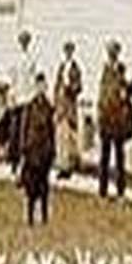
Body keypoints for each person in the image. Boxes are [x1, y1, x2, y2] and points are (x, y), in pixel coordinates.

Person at [96, 39, 132, 199]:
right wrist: (100, 114)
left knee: (119, 156)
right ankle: (103, 190)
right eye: (110, 52)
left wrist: (128, 91)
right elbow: (103, 94)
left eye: (114, 52)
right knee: (104, 156)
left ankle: (120, 189)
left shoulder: (121, 71)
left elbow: (125, 92)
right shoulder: (105, 71)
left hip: (118, 120)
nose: (112, 55)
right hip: (107, 119)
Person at [19, 70, 56, 226]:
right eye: (38, 85)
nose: (41, 88)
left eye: (43, 85)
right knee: (31, 186)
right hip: (32, 150)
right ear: (35, 87)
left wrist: (53, 149)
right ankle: (29, 216)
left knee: (44, 185)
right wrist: (24, 147)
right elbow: (24, 128)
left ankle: (44, 215)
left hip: (44, 150)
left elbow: (51, 129)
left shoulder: (48, 107)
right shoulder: (30, 106)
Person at [6, 29, 38, 178]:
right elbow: (11, 78)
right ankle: (13, 161)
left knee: (24, 133)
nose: (24, 43)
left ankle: (23, 162)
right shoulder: (14, 58)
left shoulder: (31, 58)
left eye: (26, 41)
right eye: (22, 40)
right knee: (14, 131)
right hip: (17, 97)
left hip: (27, 98)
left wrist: (32, 98)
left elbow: (32, 80)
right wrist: (11, 95)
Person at [53, 39, 83, 180]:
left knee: (70, 137)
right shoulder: (62, 66)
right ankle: (61, 165)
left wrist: (70, 89)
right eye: (66, 51)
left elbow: (79, 87)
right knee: (60, 137)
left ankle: (69, 166)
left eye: (70, 51)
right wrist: (55, 101)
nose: (68, 54)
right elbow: (56, 84)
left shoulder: (75, 68)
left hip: (70, 106)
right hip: (61, 107)